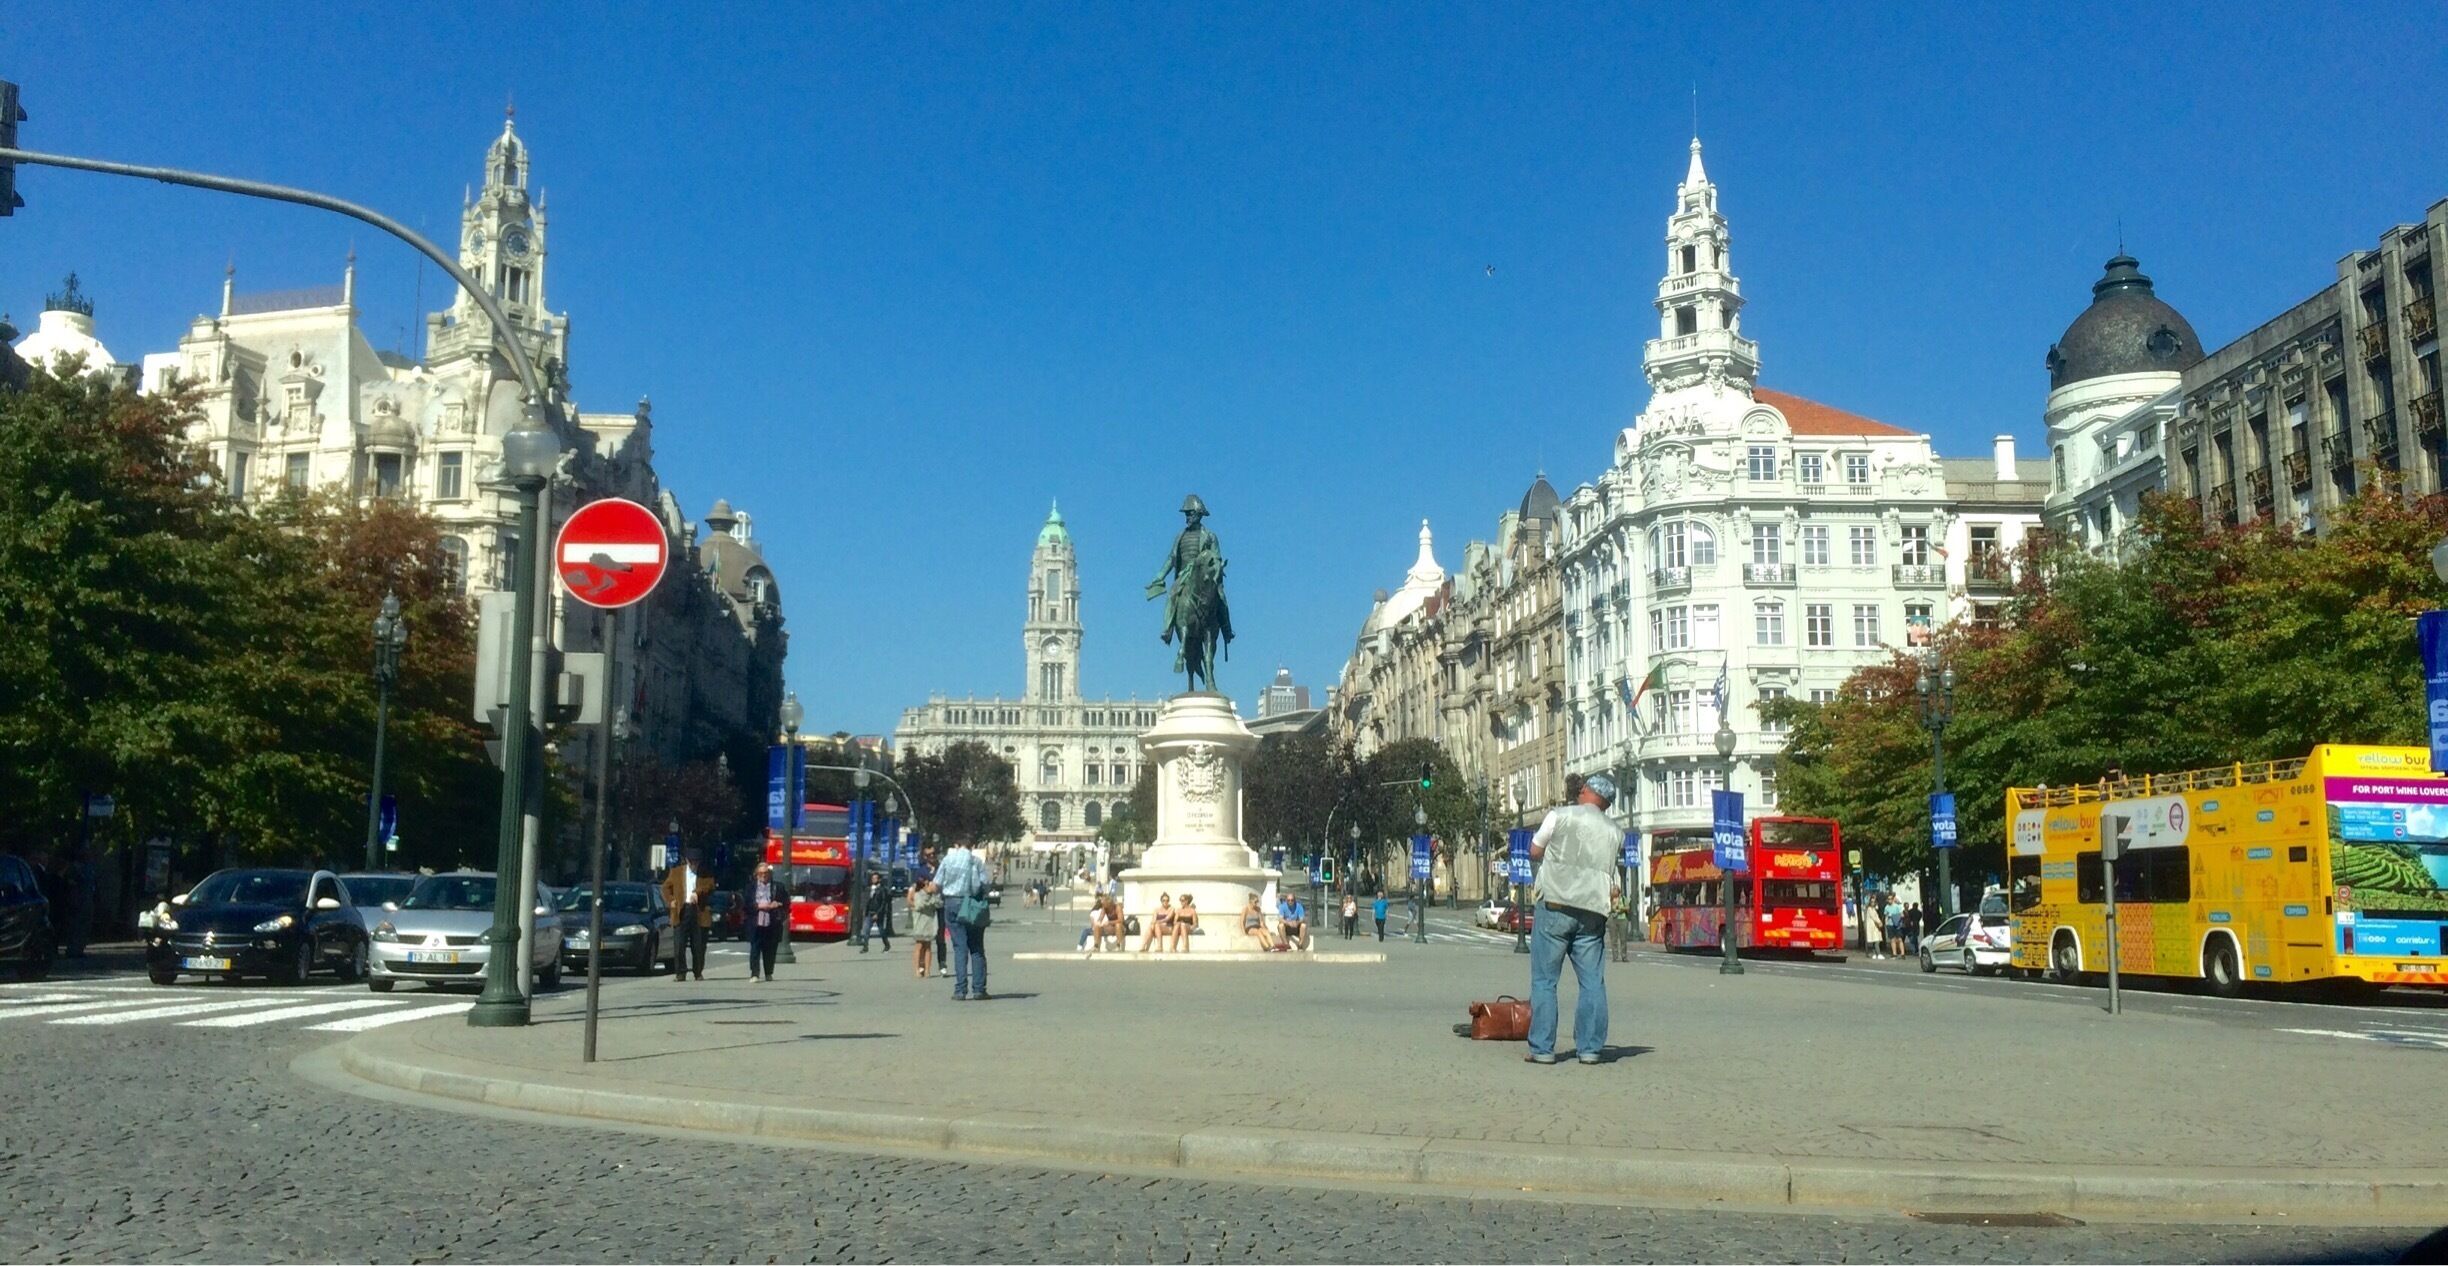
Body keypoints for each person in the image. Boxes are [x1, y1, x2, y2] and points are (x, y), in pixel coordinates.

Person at [1525, 773, 1623, 1066]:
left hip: (1555, 903)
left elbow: (1534, 850)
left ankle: (1543, 1048)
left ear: (1585, 792)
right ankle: (1590, 1048)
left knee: (1544, 980)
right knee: (1592, 981)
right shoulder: (1615, 832)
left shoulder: (1560, 815)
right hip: (1592, 910)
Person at [935, 837, 992, 1001]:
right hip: (971, 903)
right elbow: (982, 884)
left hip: (951, 902)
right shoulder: (976, 862)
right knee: (976, 947)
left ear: (956, 845)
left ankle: (960, 990)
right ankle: (979, 989)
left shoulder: (947, 859)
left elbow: (937, 882)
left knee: (959, 947)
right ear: (972, 846)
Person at [661, 848, 715, 981]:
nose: (694, 865)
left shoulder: (705, 873)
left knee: (698, 945)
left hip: (698, 911)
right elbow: (665, 887)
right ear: (686, 861)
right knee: (679, 945)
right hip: (682, 910)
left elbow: (710, 885)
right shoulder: (676, 872)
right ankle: (680, 973)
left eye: (696, 862)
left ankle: (698, 972)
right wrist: (671, 900)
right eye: (691, 862)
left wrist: (698, 892)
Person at [745, 863, 788, 982]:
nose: (764, 876)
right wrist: (758, 906)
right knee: (755, 948)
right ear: (756, 875)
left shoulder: (778, 887)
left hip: (772, 922)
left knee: (770, 949)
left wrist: (777, 904)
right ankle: (754, 974)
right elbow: (746, 904)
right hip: (756, 922)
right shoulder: (750, 887)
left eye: (766, 873)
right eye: (761, 873)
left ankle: (769, 973)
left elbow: (786, 903)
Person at [910, 873, 942, 978]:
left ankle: (927, 970)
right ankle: (917, 970)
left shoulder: (934, 895)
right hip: (920, 922)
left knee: (928, 947)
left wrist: (934, 895)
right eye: (928, 884)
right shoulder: (918, 894)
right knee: (919, 946)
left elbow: (939, 904)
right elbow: (919, 906)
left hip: (930, 922)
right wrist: (930, 901)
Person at [865, 872, 894, 953]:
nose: (873, 879)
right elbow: (867, 901)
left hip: (878, 913)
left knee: (881, 931)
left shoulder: (882, 889)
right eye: (872, 878)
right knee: (866, 930)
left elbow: (883, 902)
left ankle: (886, 944)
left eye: (875, 878)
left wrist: (878, 913)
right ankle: (865, 947)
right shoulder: (869, 889)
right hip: (869, 912)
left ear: (879, 879)